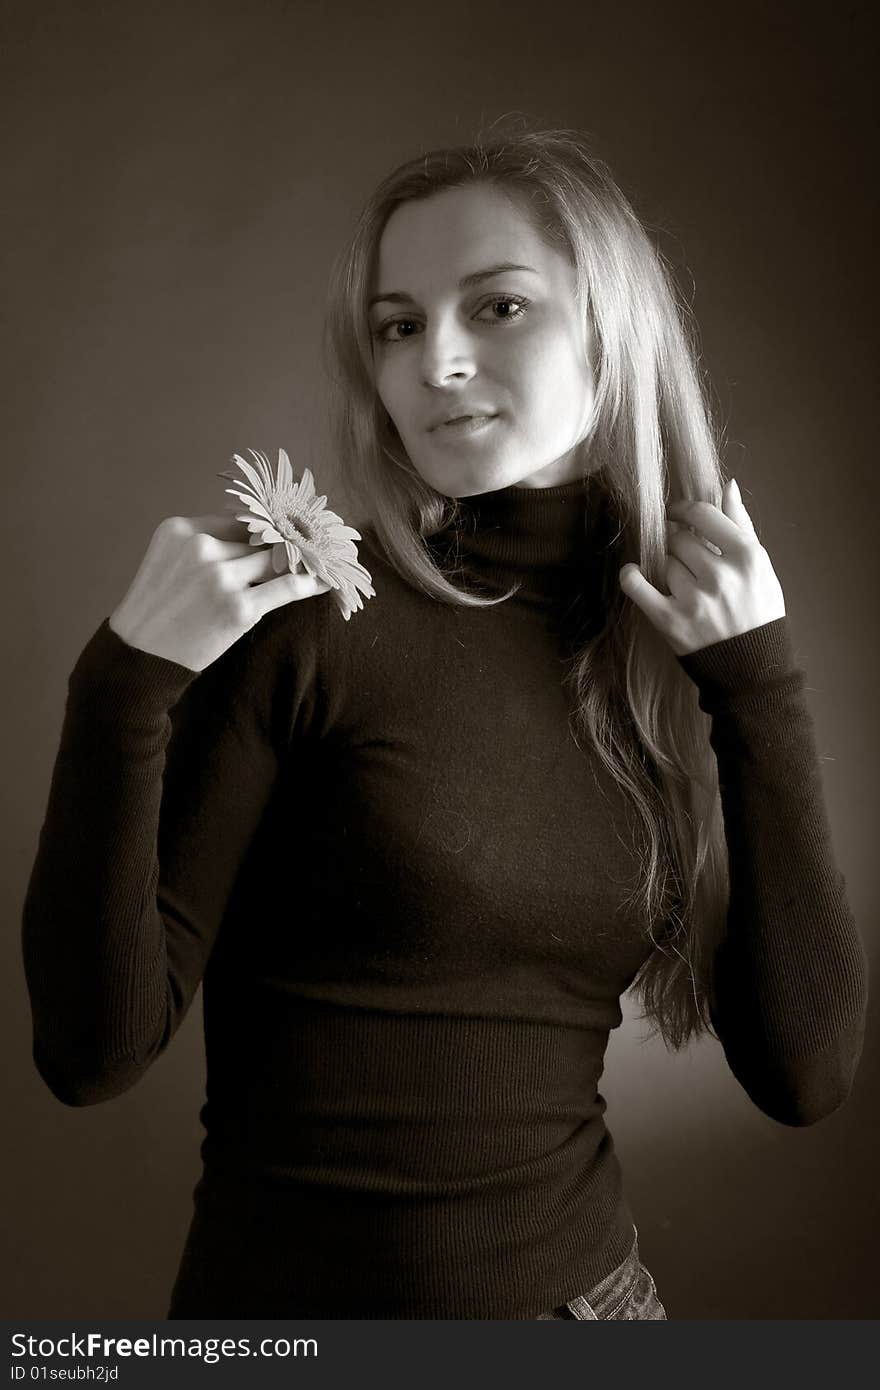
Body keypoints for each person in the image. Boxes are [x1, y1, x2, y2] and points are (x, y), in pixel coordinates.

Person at [21, 119, 869, 1321]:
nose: (439, 362)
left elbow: (804, 1074)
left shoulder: (676, 651)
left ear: (611, 329)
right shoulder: (314, 618)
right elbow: (90, 1052)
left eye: (498, 307)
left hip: (595, 1310)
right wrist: (120, 688)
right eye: (399, 325)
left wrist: (762, 691)